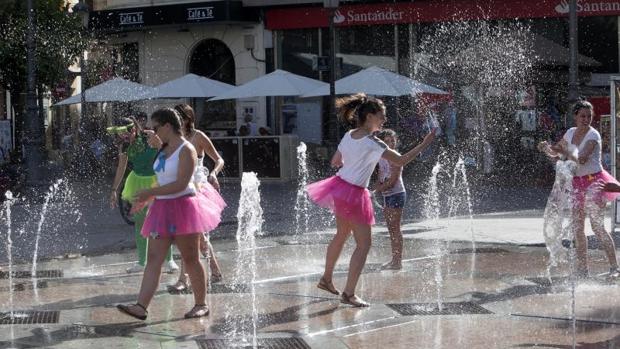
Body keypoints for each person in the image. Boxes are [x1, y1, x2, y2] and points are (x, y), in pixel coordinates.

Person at [307, 93, 436, 307]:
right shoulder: (373, 143)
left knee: (341, 235)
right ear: (369, 117)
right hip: (355, 193)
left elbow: (335, 161)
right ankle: (348, 293)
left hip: (339, 188)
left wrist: (354, 164)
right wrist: (424, 143)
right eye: (382, 116)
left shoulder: (349, 135)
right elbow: (401, 160)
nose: (384, 121)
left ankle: (326, 278)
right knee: (364, 244)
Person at [117, 107, 225, 320]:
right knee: (154, 259)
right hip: (162, 208)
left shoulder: (187, 150)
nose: (153, 132)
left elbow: (181, 184)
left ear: (167, 126)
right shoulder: (163, 149)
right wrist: (147, 199)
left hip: (184, 207)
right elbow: (162, 179)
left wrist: (150, 192)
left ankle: (201, 304)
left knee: (190, 258)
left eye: (156, 127)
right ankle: (141, 306)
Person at [539, 100, 620, 278]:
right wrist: (547, 149)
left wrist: (562, 152)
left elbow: (582, 158)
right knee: (577, 228)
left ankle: (615, 268)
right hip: (576, 183)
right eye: (582, 116)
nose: (586, 119)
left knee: (597, 227)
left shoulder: (593, 135)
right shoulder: (570, 132)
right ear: (575, 116)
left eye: (589, 116)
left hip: (594, 183)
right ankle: (583, 270)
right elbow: (556, 152)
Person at [109, 114, 178, 274]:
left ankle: (169, 260)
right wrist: (114, 190)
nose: (123, 137)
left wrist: (157, 140)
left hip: (156, 181)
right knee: (140, 223)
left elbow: (166, 150)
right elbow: (121, 167)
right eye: (120, 134)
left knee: (161, 221)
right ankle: (141, 262)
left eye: (126, 133)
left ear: (133, 129)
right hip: (137, 182)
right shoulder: (124, 146)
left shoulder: (148, 136)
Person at [168, 103, 226, 293]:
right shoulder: (173, 138)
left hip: (197, 189)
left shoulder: (197, 136)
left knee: (190, 235)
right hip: (179, 188)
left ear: (187, 119)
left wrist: (214, 173)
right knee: (195, 237)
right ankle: (215, 272)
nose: (175, 119)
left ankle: (184, 279)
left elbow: (219, 159)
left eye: (178, 115)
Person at [372, 129, 406, 270]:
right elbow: (381, 174)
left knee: (395, 228)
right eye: (386, 141)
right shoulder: (381, 156)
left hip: (397, 194)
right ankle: (394, 259)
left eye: (392, 140)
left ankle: (397, 261)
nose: (390, 143)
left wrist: (375, 190)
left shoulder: (396, 157)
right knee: (391, 229)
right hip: (387, 195)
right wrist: (378, 185)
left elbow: (393, 180)